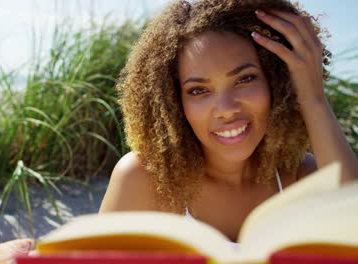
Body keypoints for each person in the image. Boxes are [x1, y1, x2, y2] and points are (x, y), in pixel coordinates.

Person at [99, 0, 358, 243]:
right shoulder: (143, 180)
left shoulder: (300, 177)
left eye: (245, 79)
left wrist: (314, 99)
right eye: (198, 90)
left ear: (276, 82)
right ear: (175, 102)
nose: (225, 110)